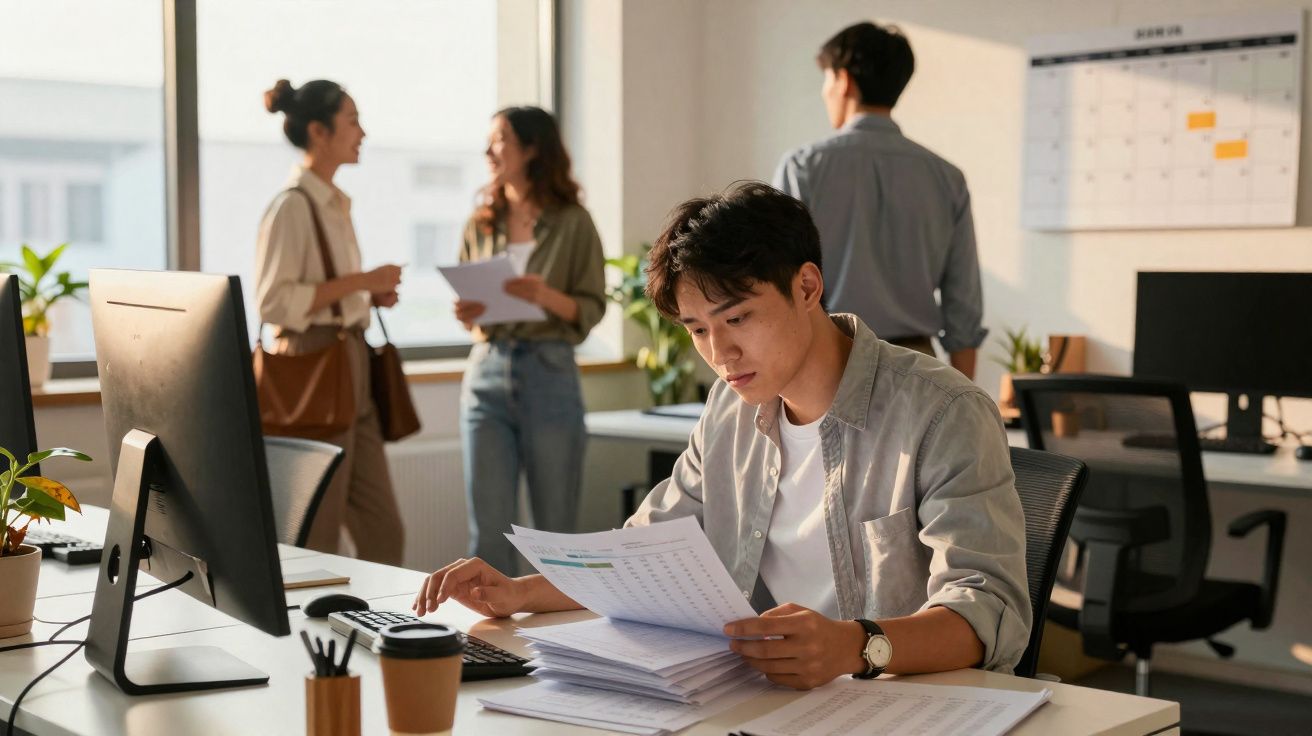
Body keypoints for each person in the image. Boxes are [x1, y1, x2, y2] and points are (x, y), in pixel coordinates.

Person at [415, 182, 1030, 689]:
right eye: (698, 330)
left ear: (807, 288)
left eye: (737, 318)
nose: (721, 352)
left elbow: (988, 612)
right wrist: (516, 592)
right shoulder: (730, 408)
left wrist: (854, 646)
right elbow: (646, 553)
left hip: (905, 705)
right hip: (771, 699)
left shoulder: (943, 410)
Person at [773, 21, 987, 379]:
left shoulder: (803, 168)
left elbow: (778, 284)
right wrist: (966, 400)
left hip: (829, 361)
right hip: (918, 368)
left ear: (843, 81)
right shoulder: (946, 177)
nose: (825, 92)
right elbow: (963, 305)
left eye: (826, 79)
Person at [255, 78, 406, 565]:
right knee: (315, 532)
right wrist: (359, 280)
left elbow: (323, 290)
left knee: (384, 530)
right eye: (352, 121)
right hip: (316, 367)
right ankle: (311, 635)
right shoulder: (292, 206)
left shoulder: (333, 202)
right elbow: (272, 303)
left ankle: (377, 629)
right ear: (319, 132)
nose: (361, 132)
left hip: (348, 360)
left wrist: (364, 292)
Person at [455, 107, 606, 575]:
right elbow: (472, 310)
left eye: (499, 140)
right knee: (488, 533)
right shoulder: (480, 222)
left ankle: (558, 645)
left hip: (550, 373)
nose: (488, 150)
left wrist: (543, 295)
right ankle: (487, 645)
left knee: (554, 534)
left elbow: (592, 306)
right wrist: (469, 314)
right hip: (486, 372)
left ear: (533, 148)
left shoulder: (574, 221)